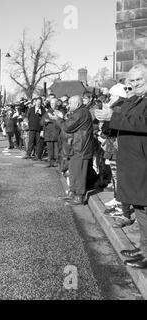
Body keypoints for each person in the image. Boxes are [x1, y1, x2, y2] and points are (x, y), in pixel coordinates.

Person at [95, 64, 147, 269]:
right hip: (133, 162)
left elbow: (142, 122)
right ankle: (143, 248)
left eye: (139, 80)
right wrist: (108, 113)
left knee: (145, 208)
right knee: (140, 207)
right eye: (131, 81)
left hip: (142, 162)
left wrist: (113, 116)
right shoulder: (135, 99)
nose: (134, 84)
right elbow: (122, 116)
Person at [61, 95, 94, 206]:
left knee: (79, 172)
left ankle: (79, 196)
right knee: (74, 171)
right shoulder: (80, 112)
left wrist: (59, 119)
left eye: (70, 103)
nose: (68, 105)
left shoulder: (81, 112)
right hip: (77, 146)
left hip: (81, 147)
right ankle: (73, 193)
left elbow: (67, 127)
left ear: (77, 104)